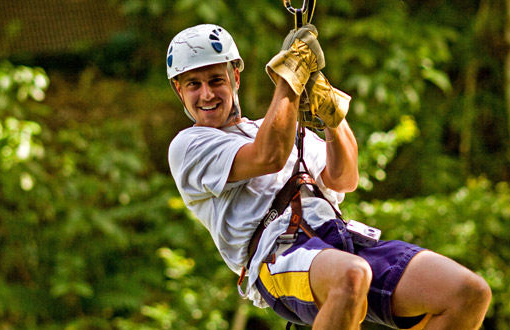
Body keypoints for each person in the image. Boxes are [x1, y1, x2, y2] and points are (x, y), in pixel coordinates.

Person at [166, 23, 492, 330]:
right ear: (179, 90)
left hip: (339, 238)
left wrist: (331, 113)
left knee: (467, 293)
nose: (207, 94)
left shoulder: (282, 127)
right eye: (194, 84)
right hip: (278, 253)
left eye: (216, 80)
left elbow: (344, 178)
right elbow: (268, 155)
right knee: (351, 276)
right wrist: (289, 78)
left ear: (235, 76)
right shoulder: (190, 145)